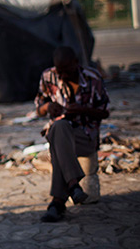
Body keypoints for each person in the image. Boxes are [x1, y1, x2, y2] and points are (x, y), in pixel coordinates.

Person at [35, 46, 110, 223]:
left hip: (85, 136)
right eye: (59, 71)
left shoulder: (92, 78)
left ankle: (58, 202)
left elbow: (105, 112)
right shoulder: (48, 77)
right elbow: (39, 108)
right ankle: (72, 186)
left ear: (76, 63)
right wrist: (47, 108)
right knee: (59, 127)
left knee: (57, 139)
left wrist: (83, 110)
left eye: (66, 70)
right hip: (59, 132)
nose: (62, 76)